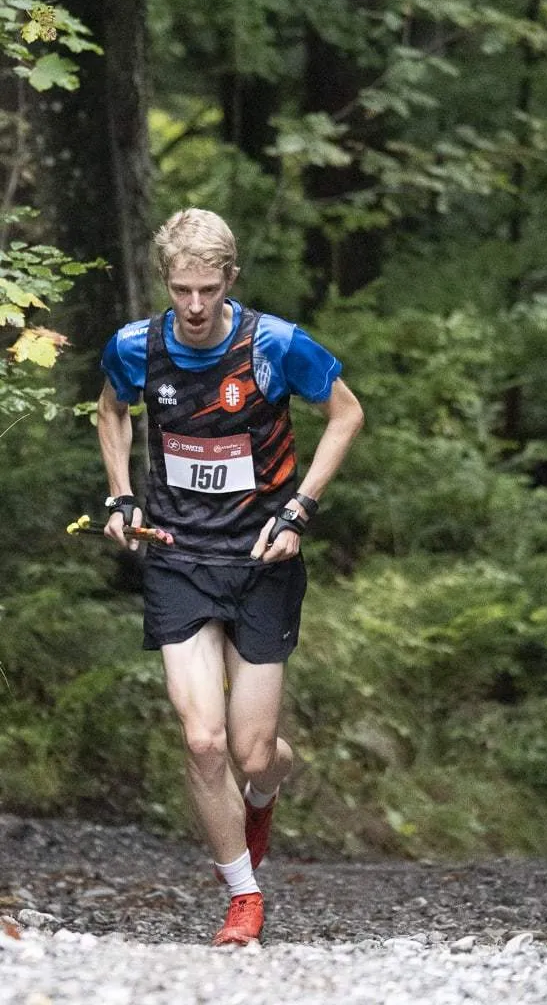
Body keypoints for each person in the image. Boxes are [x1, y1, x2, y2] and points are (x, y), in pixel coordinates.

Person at [97, 208, 364, 947]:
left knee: (252, 754)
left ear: (230, 281)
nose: (192, 306)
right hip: (178, 558)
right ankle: (243, 896)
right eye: (181, 288)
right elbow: (111, 412)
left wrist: (300, 510)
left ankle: (269, 788)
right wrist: (121, 495)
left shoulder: (273, 345)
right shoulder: (135, 346)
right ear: (165, 281)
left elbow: (346, 415)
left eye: (207, 290)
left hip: (260, 562)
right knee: (204, 742)